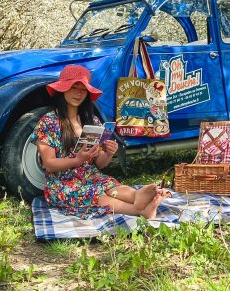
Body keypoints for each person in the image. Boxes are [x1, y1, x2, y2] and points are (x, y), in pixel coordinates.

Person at [32, 64, 165, 219]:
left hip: (90, 176)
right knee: (94, 193)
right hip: (62, 184)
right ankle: (139, 211)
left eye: (83, 90)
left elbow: (99, 164)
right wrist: (78, 160)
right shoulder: (49, 121)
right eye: (74, 87)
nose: (79, 93)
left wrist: (108, 153)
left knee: (109, 184)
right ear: (63, 89)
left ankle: (137, 196)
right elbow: (49, 163)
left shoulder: (92, 120)